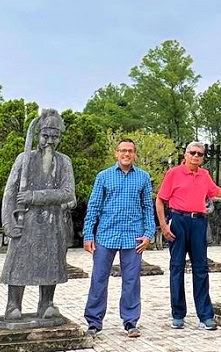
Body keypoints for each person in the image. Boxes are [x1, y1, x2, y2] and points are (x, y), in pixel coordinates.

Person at [156, 142, 221, 330]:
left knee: (201, 269)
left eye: (200, 153)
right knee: (177, 267)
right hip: (178, 219)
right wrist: (164, 226)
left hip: (198, 221)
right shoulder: (173, 173)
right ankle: (178, 314)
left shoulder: (204, 174)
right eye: (193, 152)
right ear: (186, 154)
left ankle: (205, 315)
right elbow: (160, 200)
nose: (196, 156)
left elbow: (216, 193)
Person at [0, 108, 75, 323]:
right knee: (19, 263)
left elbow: (67, 192)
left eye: (55, 136)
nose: (50, 141)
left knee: (51, 264)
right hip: (26, 221)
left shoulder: (64, 162)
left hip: (53, 223)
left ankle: (46, 304)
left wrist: (34, 196)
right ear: (38, 135)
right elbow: (9, 193)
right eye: (45, 136)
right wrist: (8, 222)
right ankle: (13, 305)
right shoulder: (24, 159)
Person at [82, 139, 155, 339]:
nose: (126, 154)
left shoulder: (143, 177)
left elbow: (148, 208)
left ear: (134, 154)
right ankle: (94, 322)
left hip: (134, 238)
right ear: (116, 153)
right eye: (123, 150)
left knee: (131, 281)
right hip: (106, 235)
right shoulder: (103, 176)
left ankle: (131, 321)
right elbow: (94, 207)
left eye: (130, 151)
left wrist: (148, 234)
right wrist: (88, 234)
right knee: (98, 279)